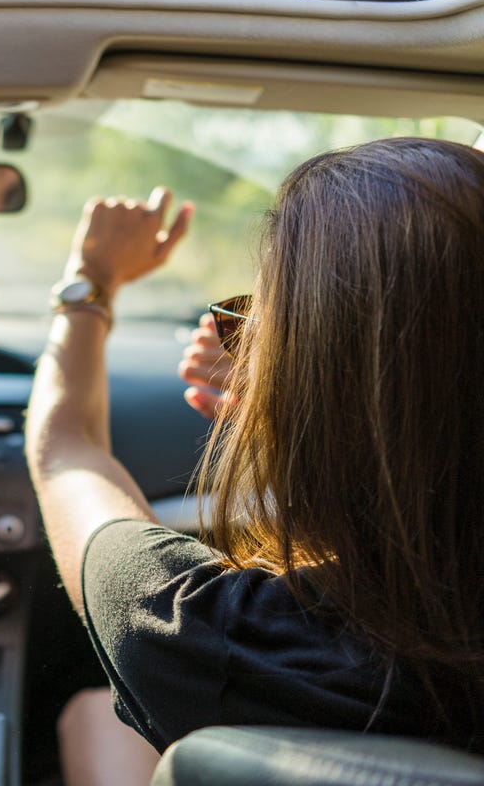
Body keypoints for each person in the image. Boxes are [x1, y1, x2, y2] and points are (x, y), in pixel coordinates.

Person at [29, 139, 484, 784]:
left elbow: (66, 449)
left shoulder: (210, 626)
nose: (236, 343)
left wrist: (90, 285)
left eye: (254, 328)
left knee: (96, 713)